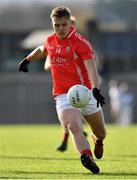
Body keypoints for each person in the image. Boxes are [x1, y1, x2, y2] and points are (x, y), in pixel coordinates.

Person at [19, 6, 106, 174]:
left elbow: (91, 69)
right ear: (53, 24)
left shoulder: (80, 43)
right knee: (73, 126)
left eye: (63, 25)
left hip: (86, 92)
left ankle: (98, 141)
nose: (59, 29)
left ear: (70, 24)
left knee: (100, 132)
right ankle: (86, 156)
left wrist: (95, 89)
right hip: (63, 95)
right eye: (56, 25)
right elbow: (42, 50)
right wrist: (27, 59)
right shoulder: (51, 40)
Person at [44, 15, 87, 152]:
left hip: (82, 85)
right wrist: (59, 64)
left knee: (78, 117)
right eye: (59, 26)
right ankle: (66, 140)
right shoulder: (54, 44)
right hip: (63, 88)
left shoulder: (79, 43)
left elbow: (90, 61)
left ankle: (91, 136)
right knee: (70, 119)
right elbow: (47, 65)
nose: (63, 29)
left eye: (69, 25)